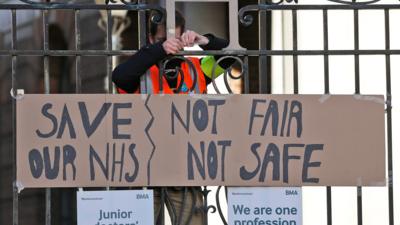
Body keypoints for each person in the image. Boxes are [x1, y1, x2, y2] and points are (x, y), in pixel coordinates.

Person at [112, 11, 231, 225]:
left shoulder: (196, 68)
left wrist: (204, 41)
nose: (170, 47)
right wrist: (159, 50)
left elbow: (231, 57)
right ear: (151, 39)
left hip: (185, 173)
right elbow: (119, 76)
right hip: (144, 174)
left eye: (175, 40)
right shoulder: (142, 69)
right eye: (162, 41)